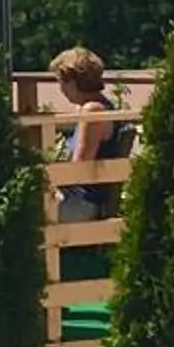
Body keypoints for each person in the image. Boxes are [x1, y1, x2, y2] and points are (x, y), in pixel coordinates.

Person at [49, 46, 137, 234]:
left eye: (61, 82)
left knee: (22, 212)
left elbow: (79, 168)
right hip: (77, 197)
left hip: (83, 202)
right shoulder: (89, 108)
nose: (61, 89)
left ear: (72, 81)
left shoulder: (93, 112)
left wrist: (46, 176)